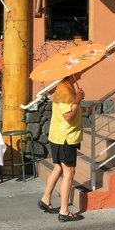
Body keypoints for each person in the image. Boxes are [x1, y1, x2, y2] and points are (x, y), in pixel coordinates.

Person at [38, 73, 84, 222]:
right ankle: (64, 211)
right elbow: (67, 115)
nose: (81, 72)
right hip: (65, 137)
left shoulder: (66, 87)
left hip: (58, 135)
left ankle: (45, 199)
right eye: (79, 70)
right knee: (69, 172)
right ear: (71, 73)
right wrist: (78, 99)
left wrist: (84, 107)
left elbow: (71, 110)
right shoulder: (65, 90)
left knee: (58, 168)